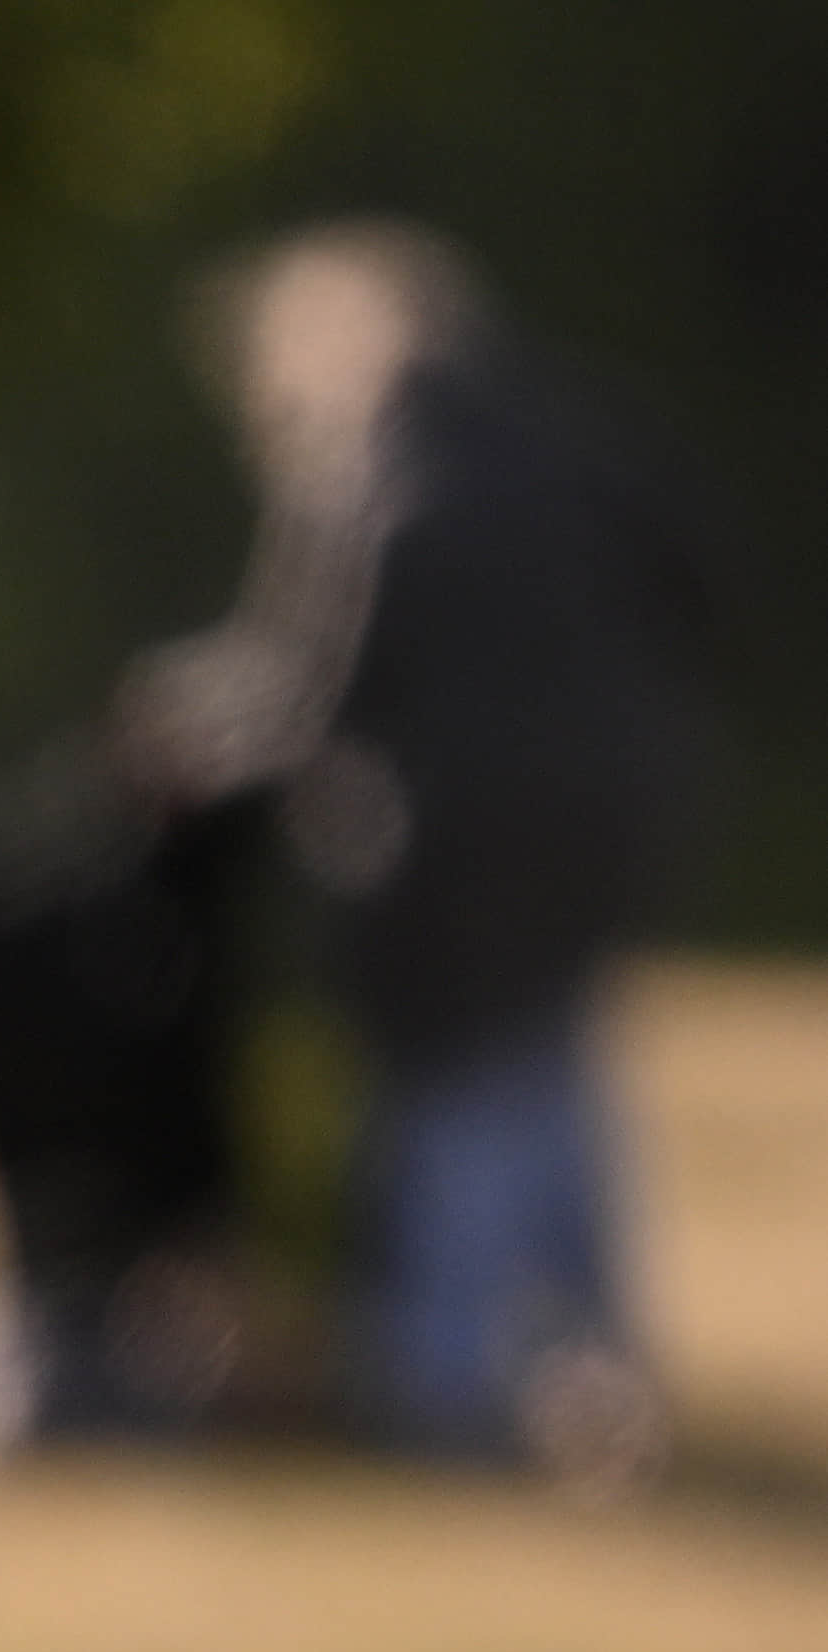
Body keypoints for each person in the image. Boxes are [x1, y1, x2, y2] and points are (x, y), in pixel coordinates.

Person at [119, 224, 709, 1484]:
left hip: (454, 845)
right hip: (615, 814)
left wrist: (174, 731)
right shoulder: (578, 434)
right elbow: (703, 587)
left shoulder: (371, 475)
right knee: (546, 1058)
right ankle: (594, 1365)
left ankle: (448, 1379)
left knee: (452, 1088)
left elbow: (311, 688)